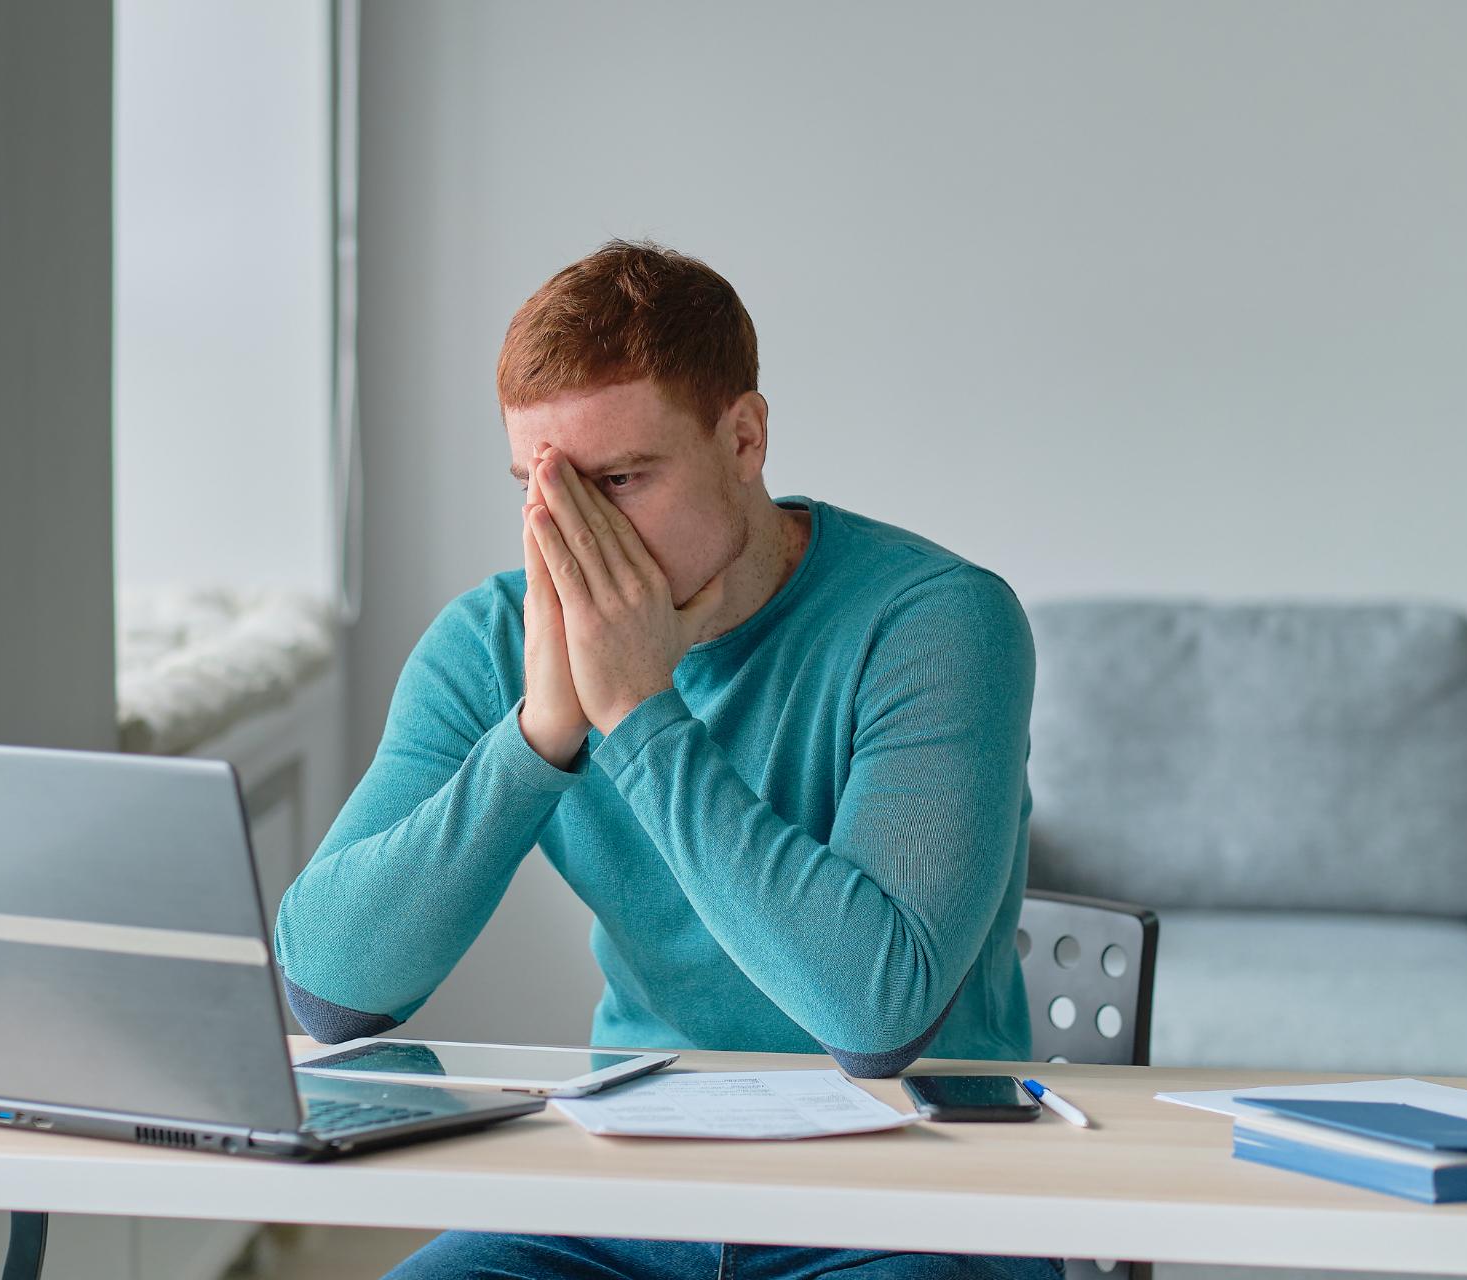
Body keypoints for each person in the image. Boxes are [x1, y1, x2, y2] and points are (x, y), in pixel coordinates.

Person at [273, 240, 1056, 1280]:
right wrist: (540, 732)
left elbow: (875, 1016)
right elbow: (328, 989)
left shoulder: (940, 621)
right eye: (539, 490)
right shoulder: (493, 643)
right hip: (628, 1193)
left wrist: (639, 714)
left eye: (620, 480)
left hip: (913, 1204)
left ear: (744, 437)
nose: (573, 536)